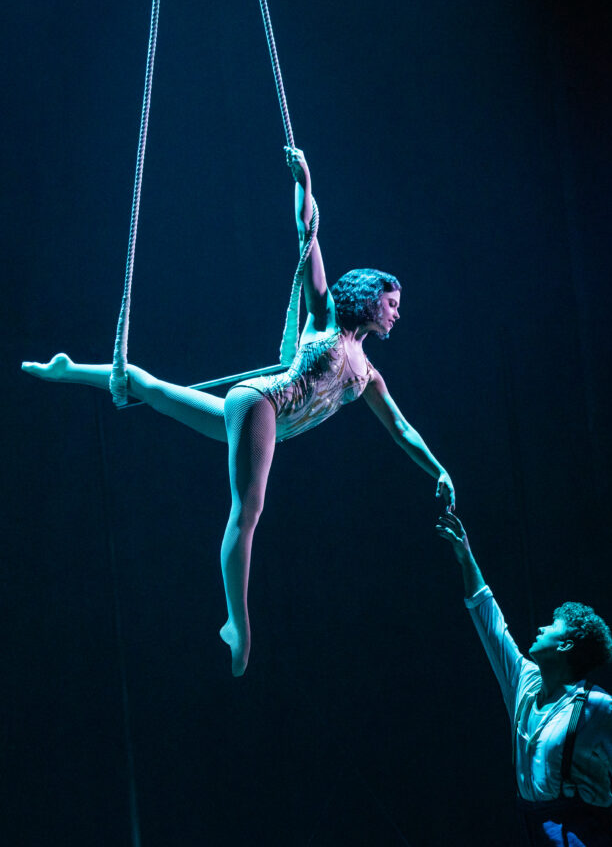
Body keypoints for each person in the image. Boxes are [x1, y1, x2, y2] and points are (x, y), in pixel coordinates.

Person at [21, 148, 455, 677]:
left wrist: (438, 469)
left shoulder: (367, 374)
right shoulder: (325, 321)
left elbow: (402, 429)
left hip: (254, 416)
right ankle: (238, 625)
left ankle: (66, 370)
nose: (397, 312)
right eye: (392, 302)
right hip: (260, 405)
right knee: (247, 512)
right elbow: (308, 236)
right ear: (368, 300)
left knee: (153, 391)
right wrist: (306, 181)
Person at [435, 514, 612, 847]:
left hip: (582, 837)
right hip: (534, 834)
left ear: (567, 645)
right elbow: (489, 621)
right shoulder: (524, 683)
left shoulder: (601, 710)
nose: (539, 627)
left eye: (551, 626)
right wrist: (465, 555)